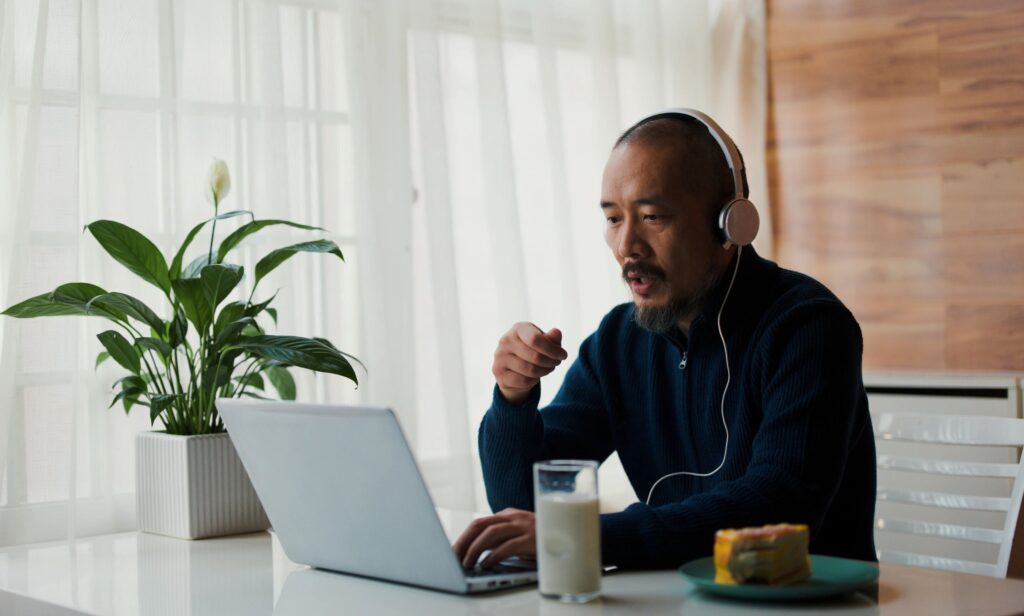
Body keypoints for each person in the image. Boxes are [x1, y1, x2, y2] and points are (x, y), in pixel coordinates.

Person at [452, 109, 877, 570]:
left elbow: (779, 504)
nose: (625, 247)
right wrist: (513, 402)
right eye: (614, 219)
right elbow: (525, 505)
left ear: (730, 224)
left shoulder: (808, 327)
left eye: (651, 216)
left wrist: (586, 536)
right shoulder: (618, 342)